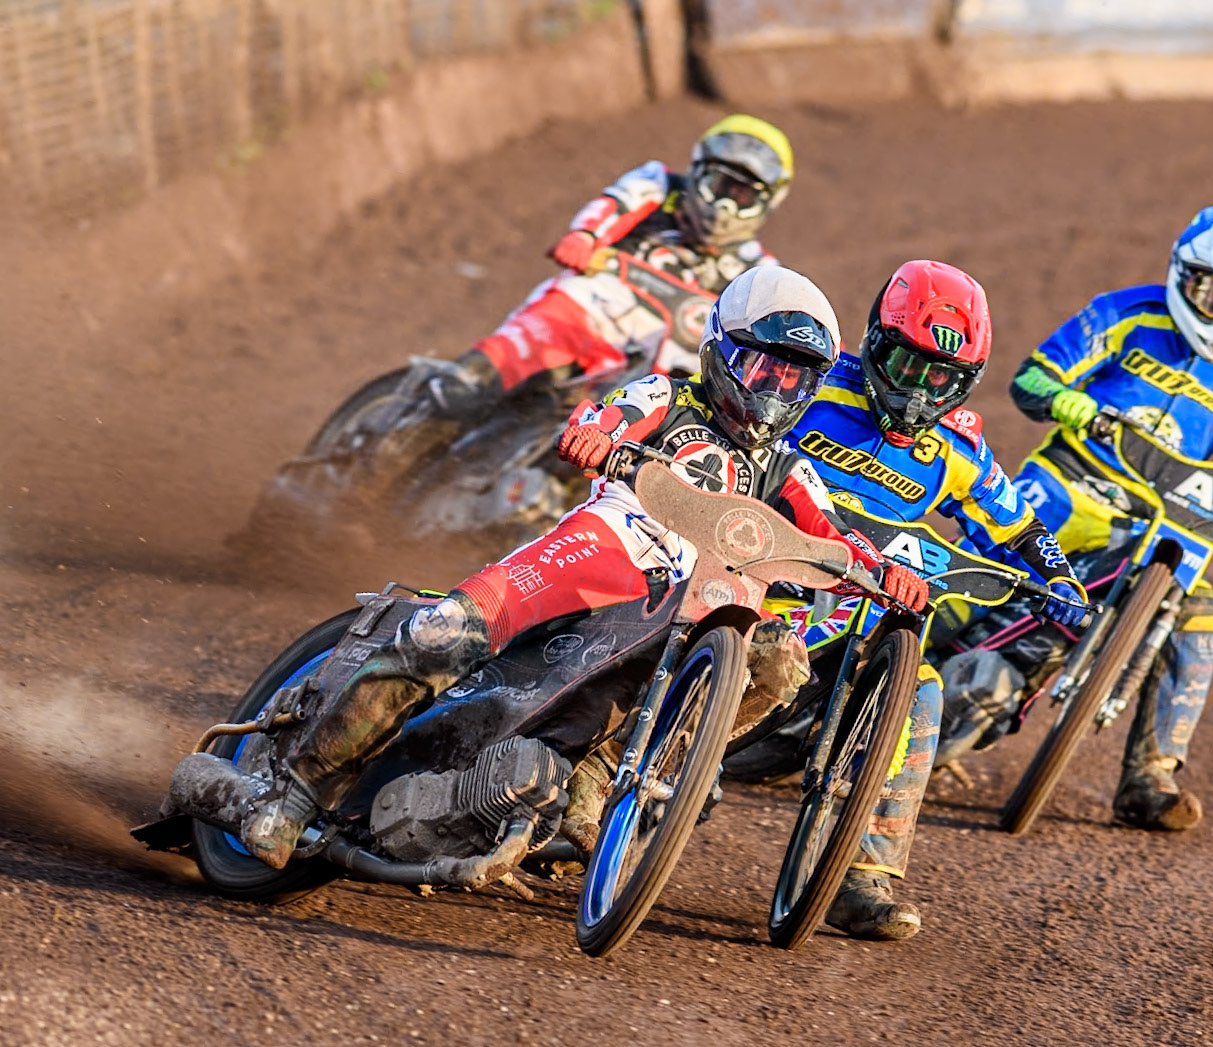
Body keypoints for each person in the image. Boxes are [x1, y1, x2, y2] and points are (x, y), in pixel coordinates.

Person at [242, 267, 931, 870]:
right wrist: (596, 437)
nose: (775, 389)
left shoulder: (790, 470)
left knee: (780, 661)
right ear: (722, 352)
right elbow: (605, 413)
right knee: (445, 632)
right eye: (762, 367)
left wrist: (885, 573)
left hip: (692, 603)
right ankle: (295, 788)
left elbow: (837, 538)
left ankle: (603, 772)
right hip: (606, 546)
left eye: (795, 376)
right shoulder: (669, 396)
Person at [962, 205, 1213, 832]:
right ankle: (880, 668)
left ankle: (1150, 776)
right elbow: (1033, 376)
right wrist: (1062, 397)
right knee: (978, 572)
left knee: (1202, 613)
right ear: (1185, 277)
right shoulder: (1125, 313)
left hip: (1160, 524)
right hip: (1070, 486)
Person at [783, 260, 1088, 940]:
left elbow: (1019, 526)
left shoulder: (959, 448)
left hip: (857, 624)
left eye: (939, 376)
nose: (917, 387)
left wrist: (1060, 583)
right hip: (763, 581)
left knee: (920, 688)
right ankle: (585, 782)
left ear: (966, 381)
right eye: (905, 362)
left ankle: (864, 875)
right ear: (872, 340)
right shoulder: (812, 384)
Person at [426, 114, 796, 416]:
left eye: (742, 197)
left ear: (767, 204)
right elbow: (615, 205)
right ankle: (448, 390)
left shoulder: (758, 270)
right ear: (697, 171)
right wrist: (585, 237)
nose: (724, 207)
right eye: (718, 186)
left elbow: (785, 324)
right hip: (589, 311)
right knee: (484, 375)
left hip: (658, 360)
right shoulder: (661, 186)